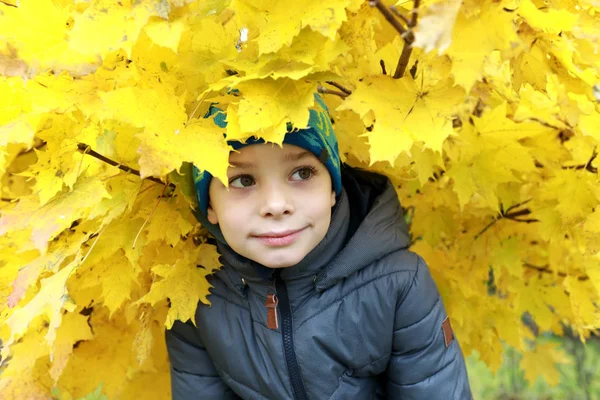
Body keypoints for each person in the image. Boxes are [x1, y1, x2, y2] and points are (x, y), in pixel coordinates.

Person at [165, 94, 472, 399]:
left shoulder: (398, 283)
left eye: (302, 173)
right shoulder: (196, 297)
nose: (275, 205)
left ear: (332, 191)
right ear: (210, 209)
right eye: (243, 180)